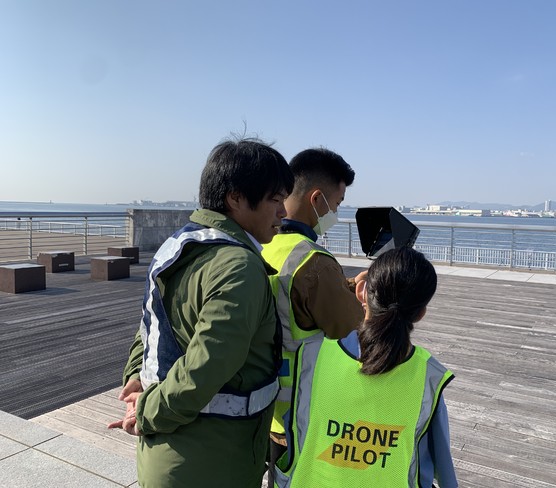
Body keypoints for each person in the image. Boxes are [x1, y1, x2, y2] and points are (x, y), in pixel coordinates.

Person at [107, 137, 294, 488]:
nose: (283, 212)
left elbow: (150, 324)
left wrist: (135, 379)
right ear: (235, 198)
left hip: (168, 456)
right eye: (275, 199)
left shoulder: (179, 245)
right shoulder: (239, 266)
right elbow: (205, 368)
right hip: (211, 462)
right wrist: (145, 413)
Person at [274, 247, 458, 487]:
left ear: (361, 292)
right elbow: (443, 471)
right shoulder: (428, 377)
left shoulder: (311, 357)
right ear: (420, 313)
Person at [260, 147, 366, 480]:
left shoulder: (260, 245)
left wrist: (343, 285)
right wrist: (362, 299)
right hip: (301, 414)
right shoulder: (313, 261)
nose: (335, 211)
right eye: (336, 204)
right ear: (316, 199)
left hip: (262, 404)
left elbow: (290, 295)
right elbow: (351, 327)